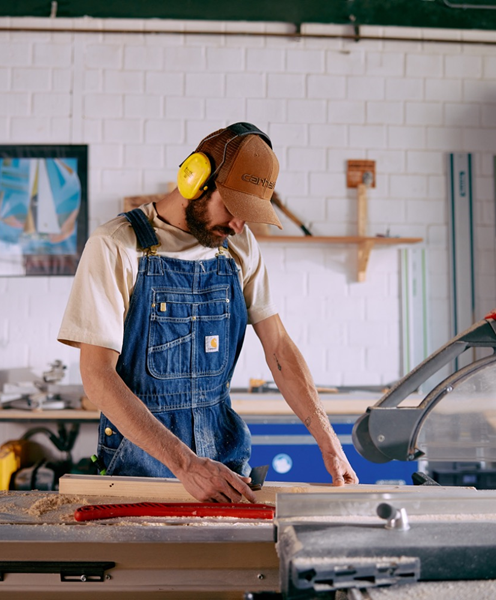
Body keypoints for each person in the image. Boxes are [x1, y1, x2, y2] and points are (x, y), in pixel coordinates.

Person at [57, 122, 357, 503]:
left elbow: (278, 346)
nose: (238, 225)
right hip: (140, 470)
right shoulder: (117, 245)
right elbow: (96, 376)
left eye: (248, 215)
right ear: (194, 179)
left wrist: (328, 439)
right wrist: (186, 465)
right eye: (232, 208)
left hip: (226, 466)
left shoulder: (239, 247)